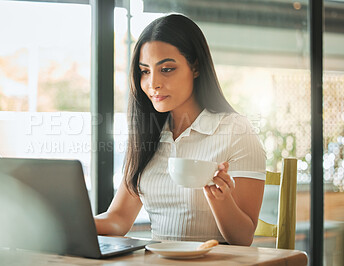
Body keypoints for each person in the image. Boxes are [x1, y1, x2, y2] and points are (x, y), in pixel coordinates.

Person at [94, 14, 266, 246]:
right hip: (156, 261)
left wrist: (221, 200)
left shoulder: (237, 131)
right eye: (145, 71)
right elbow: (118, 220)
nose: (153, 83)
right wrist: (69, 222)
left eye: (166, 69)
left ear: (195, 67)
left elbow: (243, 238)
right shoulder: (147, 134)